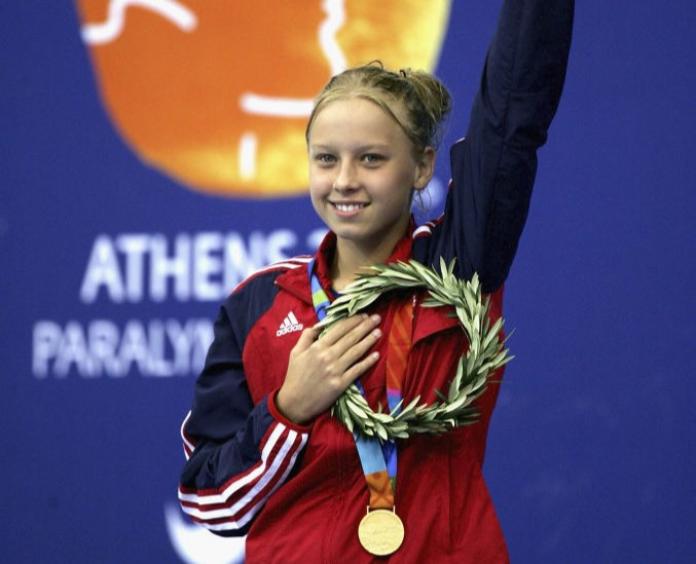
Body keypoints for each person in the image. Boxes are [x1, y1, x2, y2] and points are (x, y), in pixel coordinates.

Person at [178, 1, 574, 561]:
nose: (344, 180)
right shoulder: (259, 305)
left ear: (421, 167)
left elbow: (511, 120)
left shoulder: (456, 266)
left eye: (370, 159)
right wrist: (290, 407)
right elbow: (209, 503)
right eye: (325, 159)